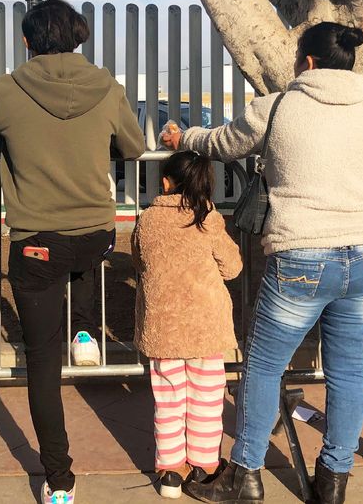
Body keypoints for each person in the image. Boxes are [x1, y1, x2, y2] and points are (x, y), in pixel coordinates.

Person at [163, 22, 363, 504]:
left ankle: (245, 474)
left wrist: (182, 137)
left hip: (304, 251)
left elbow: (225, 143)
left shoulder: (279, 106)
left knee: (265, 367)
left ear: (307, 62)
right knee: (350, 371)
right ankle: (333, 481)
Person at [0, 0, 145, 504]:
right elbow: (135, 147)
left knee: (40, 361)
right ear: (79, 37)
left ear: (27, 41)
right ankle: (83, 329)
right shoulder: (108, 87)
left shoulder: (8, 91)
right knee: (83, 265)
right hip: (97, 230)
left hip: (37, 239)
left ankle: (59, 479)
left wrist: (5, 146)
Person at [132, 151, 242, 499]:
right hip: (205, 326)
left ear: (166, 182)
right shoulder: (207, 218)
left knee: (168, 398)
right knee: (206, 397)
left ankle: (170, 470)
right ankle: (206, 465)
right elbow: (233, 267)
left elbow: (139, 261)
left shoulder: (147, 219)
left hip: (163, 326)